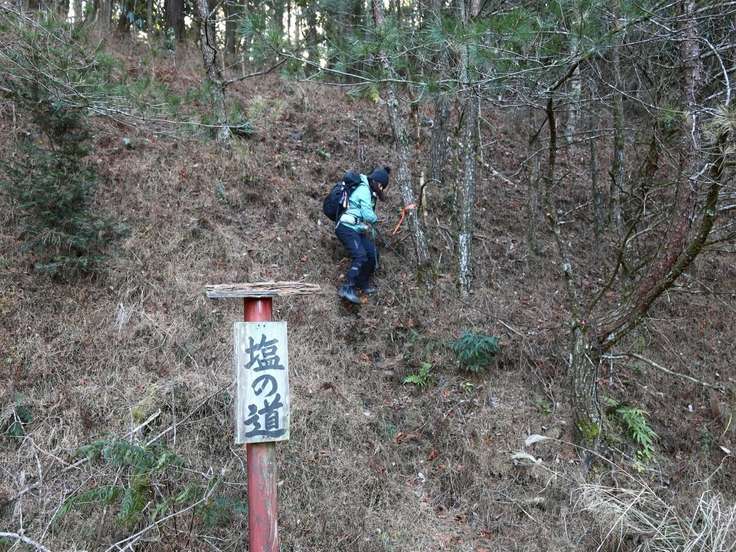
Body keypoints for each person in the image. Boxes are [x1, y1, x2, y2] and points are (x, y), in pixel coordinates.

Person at [335, 166, 390, 304]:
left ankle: (361, 282)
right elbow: (367, 214)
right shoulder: (364, 189)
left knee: (373, 253)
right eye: (381, 186)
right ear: (377, 182)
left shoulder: (370, 191)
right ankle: (347, 287)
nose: (381, 189)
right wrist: (376, 219)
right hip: (346, 227)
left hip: (355, 228)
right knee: (360, 255)